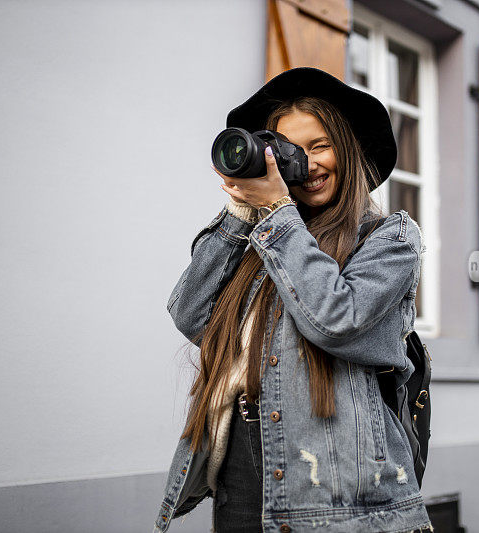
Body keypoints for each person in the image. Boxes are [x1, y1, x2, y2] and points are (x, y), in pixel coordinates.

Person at [154, 67, 433, 533]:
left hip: (337, 483)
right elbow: (190, 313)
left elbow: (335, 320)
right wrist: (240, 215)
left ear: (350, 150)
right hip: (240, 474)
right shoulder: (269, 245)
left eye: (320, 146)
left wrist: (279, 213)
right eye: (291, 152)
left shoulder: (390, 238)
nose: (308, 164)